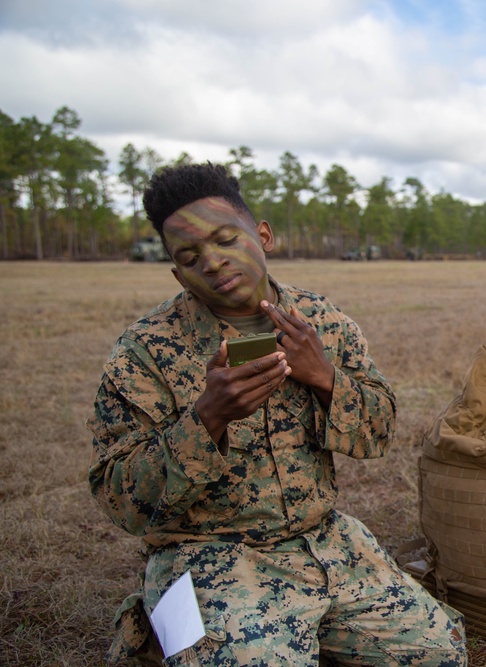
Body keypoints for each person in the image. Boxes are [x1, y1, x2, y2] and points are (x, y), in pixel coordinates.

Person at [88, 163, 466, 666]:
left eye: (226, 240)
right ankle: (170, 629)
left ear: (262, 235)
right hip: (210, 555)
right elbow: (123, 499)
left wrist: (325, 377)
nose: (214, 262)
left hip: (324, 541)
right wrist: (206, 420)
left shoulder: (323, 322)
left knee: (441, 654)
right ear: (178, 273)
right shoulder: (145, 352)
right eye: (191, 256)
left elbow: (380, 433)